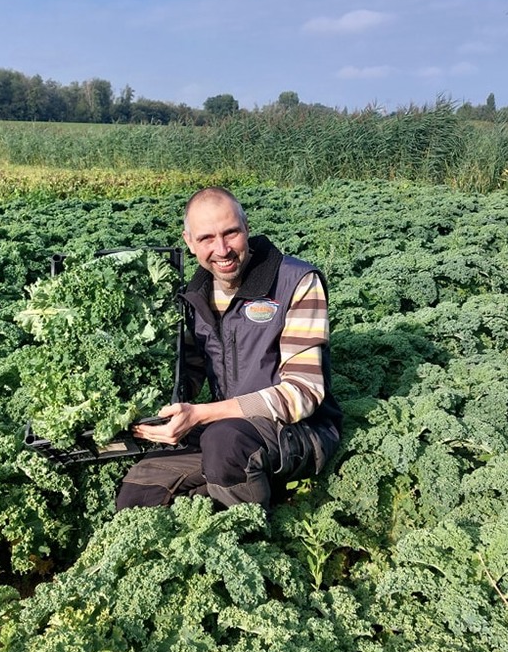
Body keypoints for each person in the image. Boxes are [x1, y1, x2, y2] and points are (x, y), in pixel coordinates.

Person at [115, 186, 342, 511]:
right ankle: (237, 492)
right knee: (139, 493)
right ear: (189, 241)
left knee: (224, 444)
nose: (221, 249)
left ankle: (248, 535)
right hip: (227, 426)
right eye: (206, 238)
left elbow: (302, 393)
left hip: (300, 431)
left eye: (231, 233)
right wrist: (142, 409)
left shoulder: (296, 282)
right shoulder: (194, 294)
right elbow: (187, 372)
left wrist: (202, 414)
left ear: (246, 228)